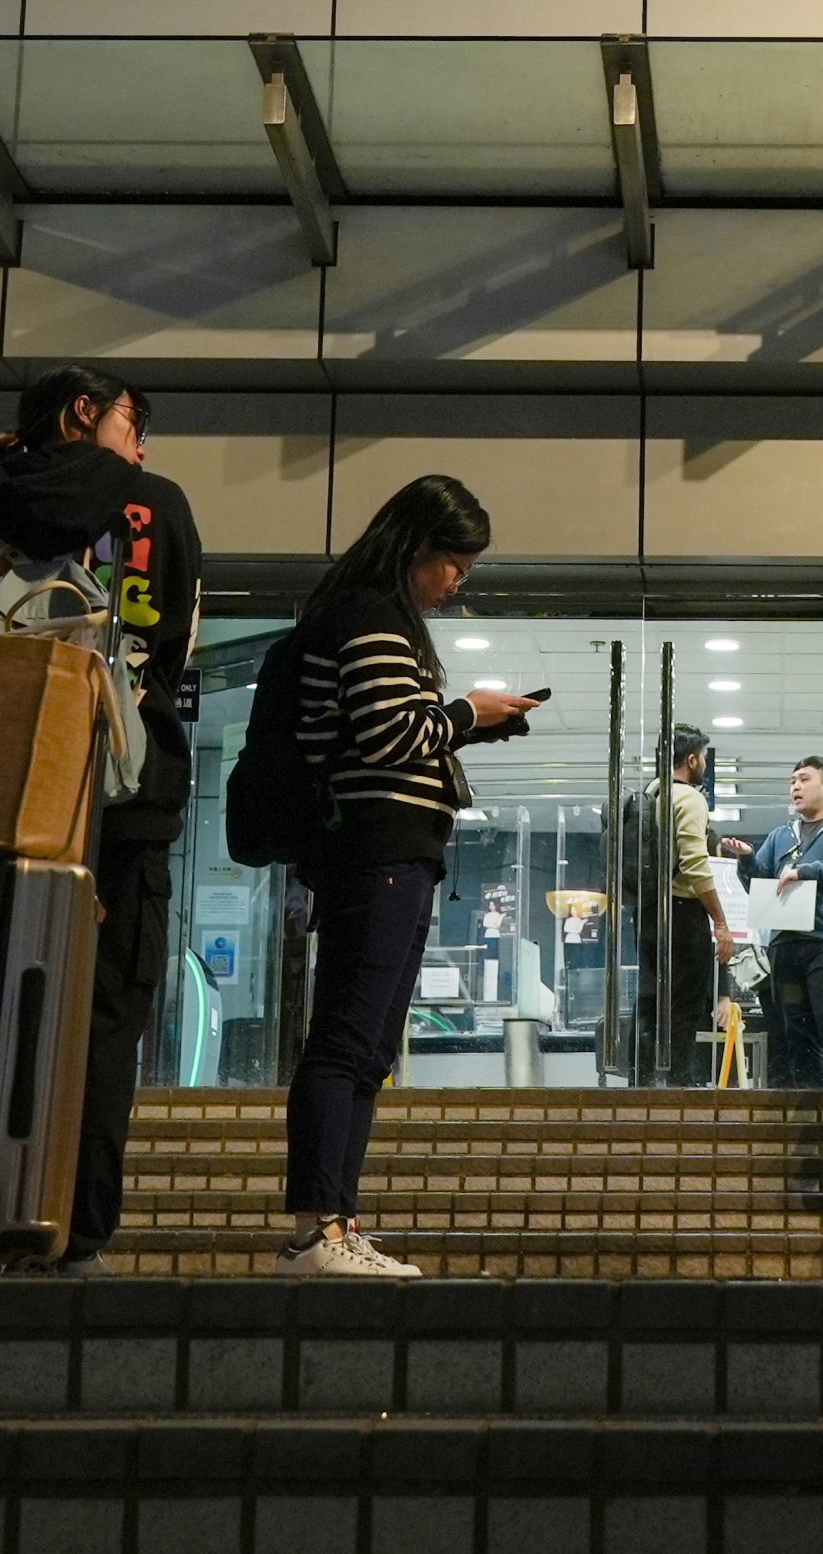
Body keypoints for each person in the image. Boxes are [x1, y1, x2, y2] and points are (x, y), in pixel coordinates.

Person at [0, 367, 207, 1269]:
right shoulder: (155, 506)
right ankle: (76, 1226)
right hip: (125, 795)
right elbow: (167, 650)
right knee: (108, 1011)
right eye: (134, 418)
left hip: (1, 794)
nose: (142, 443)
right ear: (83, 412)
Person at [278, 474, 536, 1277]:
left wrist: (466, 730)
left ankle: (336, 1225)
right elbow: (389, 736)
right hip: (376, 851)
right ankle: (318, 1230)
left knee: (365, 1047)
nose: (457, 583)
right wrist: (469, 714)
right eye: (454, 564)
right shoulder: (373, 617)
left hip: (388, 853)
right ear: (417, 548)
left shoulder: (366, 615)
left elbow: (383, 735)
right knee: (347, 1042)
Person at [748, 755, 823, 1087]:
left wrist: (806, 872)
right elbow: (762, 881)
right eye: (792, 782)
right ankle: (808, 1103)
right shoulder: (780, 836)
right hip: (785, 946)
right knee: (794, 1026)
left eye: (804, 779)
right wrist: (746, 861)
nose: (795, 787)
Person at [635, 725, 740, 1085]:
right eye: (705, 758)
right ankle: (681, 1085)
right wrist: (720, 922)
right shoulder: (690, 798)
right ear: (692, 759)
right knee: (685, 1005)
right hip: (683, 913)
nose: (706, 764)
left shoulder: (651, 793)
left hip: (649, 913)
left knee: (652, 1002)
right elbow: (696, 864)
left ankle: (646, 1082)